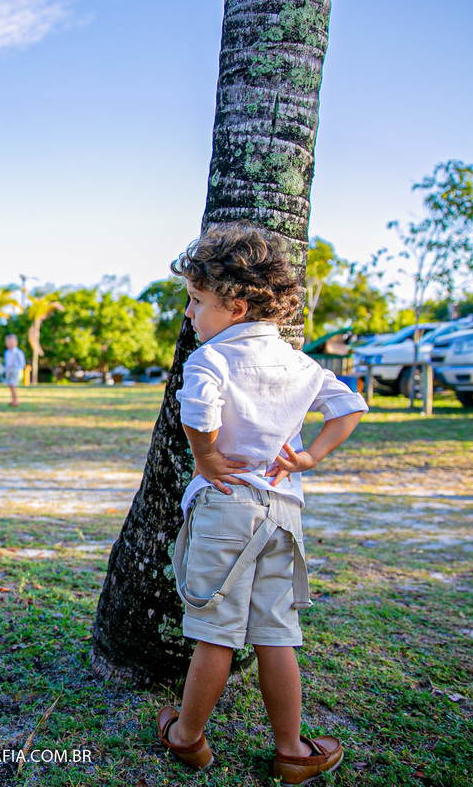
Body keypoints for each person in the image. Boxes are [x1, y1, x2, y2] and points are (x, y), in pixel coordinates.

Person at [155, 225, 368, 786]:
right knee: (276, 632)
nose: (190, 315)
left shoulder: (211, 358)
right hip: (283, 512)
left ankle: (188, 736)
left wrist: (205, 456)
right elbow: (349, 408)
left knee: (215, 631)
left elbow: (198, 413)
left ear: (237, 306)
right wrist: (311, 457)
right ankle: (292, 750)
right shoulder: (300, 363)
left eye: (197, 302)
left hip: (226, 507)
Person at [2, 334, 26, 407]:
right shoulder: (6, 352)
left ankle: (15, 401)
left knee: (12, 385)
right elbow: (7, 363)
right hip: (8, 370)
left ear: (16, 343)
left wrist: (17, 370)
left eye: (11, 342)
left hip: (15, 370)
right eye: (8, 342)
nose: (10, 344)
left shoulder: (18, 352)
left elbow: (22, 363)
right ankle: (13, 400)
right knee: (10, 385)